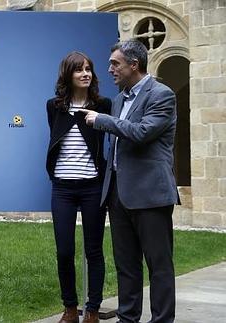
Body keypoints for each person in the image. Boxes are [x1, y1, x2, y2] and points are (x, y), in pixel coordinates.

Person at [80, 40, 179, 323]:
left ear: (133, 65)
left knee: (158, 266)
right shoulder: (120, 98)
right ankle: (128, 318)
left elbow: (141, 132)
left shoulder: (162, 95)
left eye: (115, 63)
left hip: (151, 194)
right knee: (126, 266)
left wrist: (102, 120)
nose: (110, 69)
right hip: (119, 194)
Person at [45, 52, 111, 323]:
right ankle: (70, 308)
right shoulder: (54, 106)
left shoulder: (103, 105)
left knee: (93, 250)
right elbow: (56, 137)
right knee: (64, 251)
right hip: (62, 188)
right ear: (68, 75)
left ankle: (92, 310)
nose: (85, 74)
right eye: (79, 70)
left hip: (93, 187)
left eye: (89, 69)